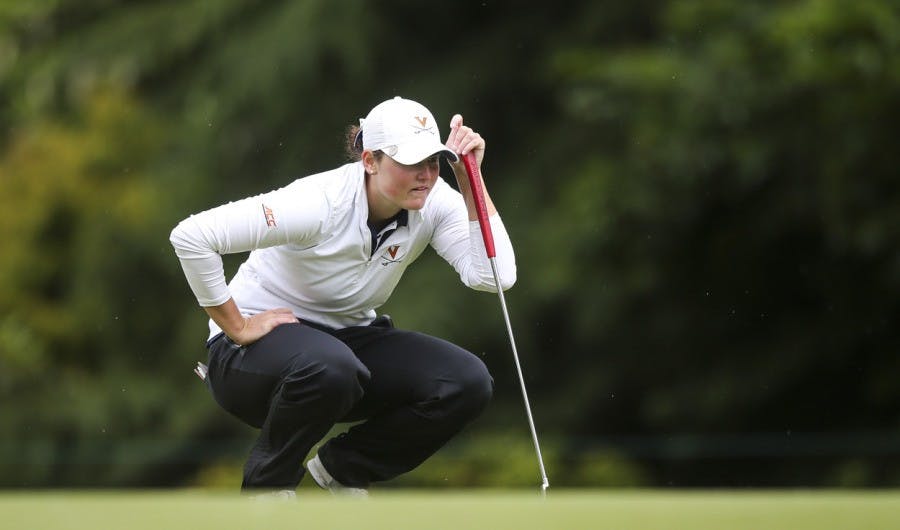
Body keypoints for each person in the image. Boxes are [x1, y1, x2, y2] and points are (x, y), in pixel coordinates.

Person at [169, 96, 516, 497]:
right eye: (410, 163)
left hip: (343, 351)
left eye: (434, 162)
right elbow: (192, 237)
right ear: (370, 161)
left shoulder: (433, 201)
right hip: (246, 360)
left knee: (465, 382)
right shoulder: (319, 203)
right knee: (331, 365)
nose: (425, 175)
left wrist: (470, 181)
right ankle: (267, 490)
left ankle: (344, 468)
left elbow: (495, 276)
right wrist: (238, 325)